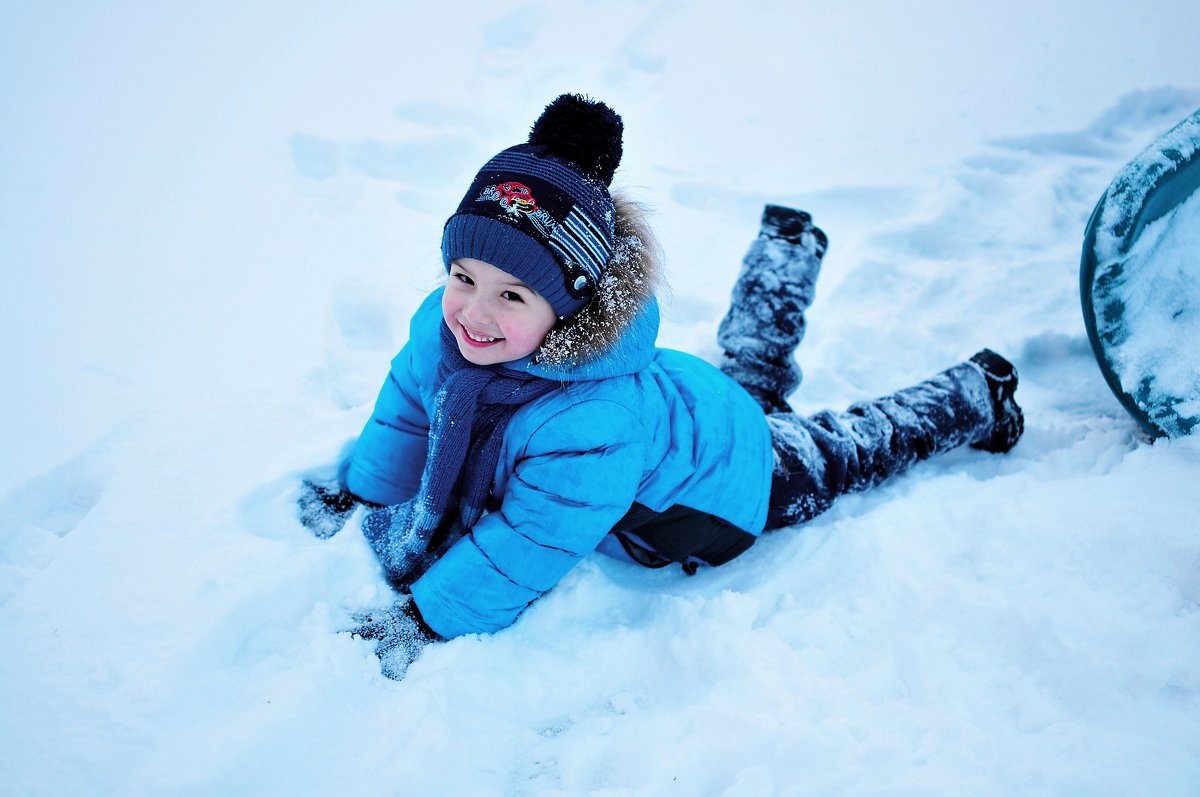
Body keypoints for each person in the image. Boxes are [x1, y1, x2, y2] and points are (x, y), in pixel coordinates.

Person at [298, 94, 1024, 679]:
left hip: (733, 477)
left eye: (513, 296)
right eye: (463, 277)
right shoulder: (445, 327)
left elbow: (531, 539)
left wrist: (429, 616)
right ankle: (787, 248)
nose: (474, 313)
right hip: (693, 401)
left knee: (848, 448)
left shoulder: (590, 423)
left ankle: (977, 395)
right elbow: (405, 410)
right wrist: (365, 486)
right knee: (752, 378)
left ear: (571, 310)